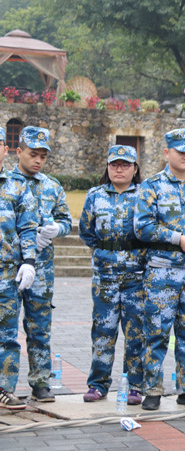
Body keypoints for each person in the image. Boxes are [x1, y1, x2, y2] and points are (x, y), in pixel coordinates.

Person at [134, 128, 185, 411]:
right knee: (156, 332)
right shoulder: (152, 186)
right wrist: (178, 239)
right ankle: (152, 390)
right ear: (167, 153)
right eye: (181, 151)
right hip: (162, 271)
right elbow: (142, 227)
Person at [79, 145, 146, 405]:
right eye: (114, 164)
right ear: (107, 167)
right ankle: (98, 384)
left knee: (136, 333)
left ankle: (135, 386)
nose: (119, 169)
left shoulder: (144, 195)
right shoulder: (95, 195)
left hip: (135, 276)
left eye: (125, 165)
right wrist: (106, 251)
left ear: (135, 169)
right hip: (104, 275)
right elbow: (86, 231)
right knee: (103, 331)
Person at [14, 126, 72, 403]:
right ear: (19, 152)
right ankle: (5, 385)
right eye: (32, 154)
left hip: (42, 269)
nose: (38, 160)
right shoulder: (6, 183)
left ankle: (40, 382)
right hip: (10, 266)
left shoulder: (52, 185)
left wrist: (56, 229)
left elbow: (66, 220)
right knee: (5, 328)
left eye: (43, 156)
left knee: (39, 327)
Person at [0, 127, 38, 410]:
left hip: (6, 272)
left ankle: (4, 389)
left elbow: (27, 227)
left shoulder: (17, 186)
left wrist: (29, 261)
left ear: (5, 149)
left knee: (7, 336)